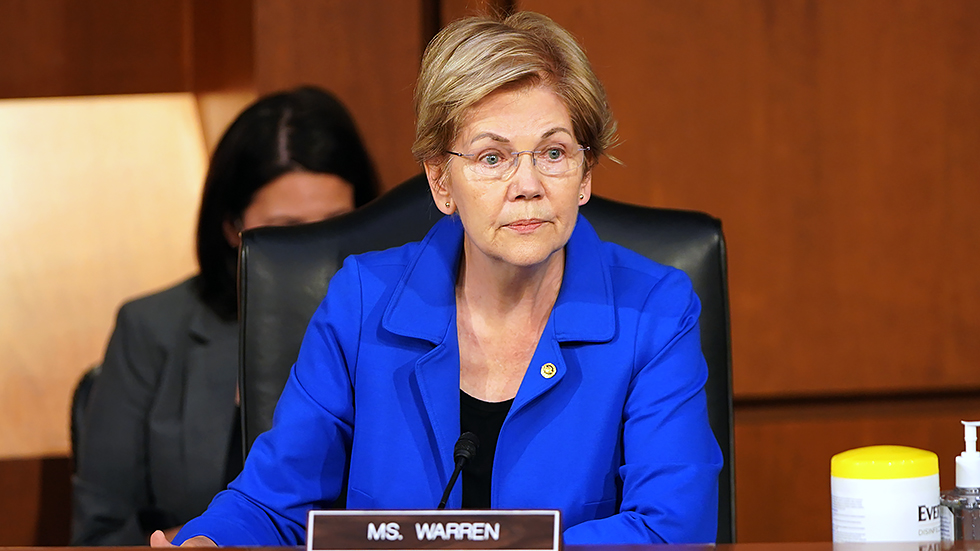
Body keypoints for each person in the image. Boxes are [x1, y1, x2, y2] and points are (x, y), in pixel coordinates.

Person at [161, 11, 722, 547]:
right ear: (441, 182)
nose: (527, 184)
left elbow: (672, 528)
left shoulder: (655, 311)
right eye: (491, 158)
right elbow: (269, 504)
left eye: (553, 152)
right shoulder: (363, 302)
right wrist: (208, 542)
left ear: (584, 174)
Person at [71, 86, 380, 546]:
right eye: (287, 232)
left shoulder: (401, 323)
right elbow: (97, 536)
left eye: (336, 225)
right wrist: (208, 539)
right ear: (233, 229)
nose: (315, 253)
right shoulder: (150, 329)